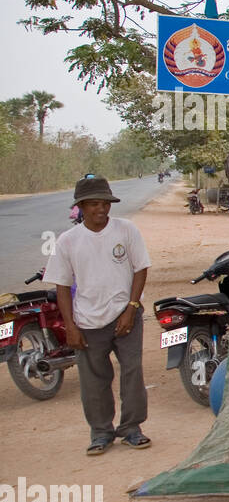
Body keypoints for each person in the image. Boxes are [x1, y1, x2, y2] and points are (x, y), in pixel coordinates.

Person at [44, 176, 151, 455]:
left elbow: (141, 269)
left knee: (132, 373)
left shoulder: (126, 230)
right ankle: (101, 432)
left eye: (105, 203)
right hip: (87, 321)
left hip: (124, 316)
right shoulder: (68, 241)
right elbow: (63, 286)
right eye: (93, 204)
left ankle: (131, 428)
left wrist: (131, 307)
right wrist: (70, 326)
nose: (101, 209)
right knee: (94, 380)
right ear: (80, 206)